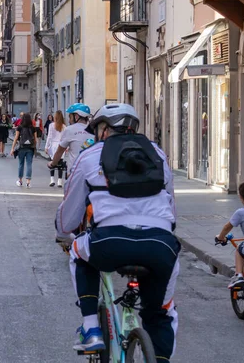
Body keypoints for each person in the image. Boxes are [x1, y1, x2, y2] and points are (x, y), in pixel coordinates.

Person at [56, 103, 179, 362]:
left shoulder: (89, 157)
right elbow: (171, 207)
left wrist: (63, 232)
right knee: (162, 313)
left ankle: (91, 328)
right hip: (160, 244)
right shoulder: (157, 153)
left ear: (103, 129)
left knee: (79, 251)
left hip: (110, 242)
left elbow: (68, 218)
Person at [48, 103, 94, 175]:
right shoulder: (94, 129)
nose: (69, 120)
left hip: (75, 171)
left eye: (70, 117)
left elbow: (60, 151)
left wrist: (53, 163)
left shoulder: (70, 130)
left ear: (76, 117)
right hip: (91, 171)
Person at [11, 114, 38, 188]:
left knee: (21, 164)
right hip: (30, 148)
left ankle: (20, 181)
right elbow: (35, 140)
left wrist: (12, 148)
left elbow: (16, 138)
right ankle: (28, 182)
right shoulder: (33, 128)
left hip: (22, 147)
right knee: (29, 164)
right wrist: (34, 147)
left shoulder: (20, 127)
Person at [45, 110, 66, 187]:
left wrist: (46, 147)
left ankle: (52, 180)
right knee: (60, 163)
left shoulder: (51, 125)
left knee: (52, 162)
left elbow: (49, 137)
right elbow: (65, 138)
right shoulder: (64, 126)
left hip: (53, 145)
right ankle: (59, 181)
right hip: (61, 145)